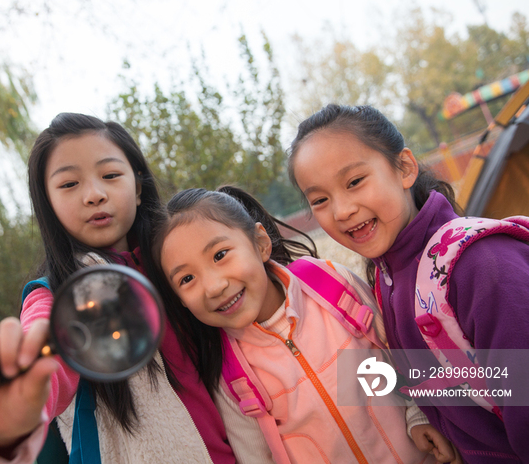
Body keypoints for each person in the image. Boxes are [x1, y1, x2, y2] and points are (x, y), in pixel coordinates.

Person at [0, 113, 273, 464]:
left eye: (110, 175)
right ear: (48, 203)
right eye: (69, 184)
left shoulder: (179, 265)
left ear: (137, 187)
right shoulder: (56, 298)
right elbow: (45, 363)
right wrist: (12, 412)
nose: (94, 194)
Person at [287, 104, 529, 463]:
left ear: (404, 167)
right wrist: (418, 416)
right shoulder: (387, 276)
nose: (341, 210)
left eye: (354, 182)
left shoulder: (480, 263)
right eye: (320, 200)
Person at [153, 186, 453, 464]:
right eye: (186, 279)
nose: (214, 286)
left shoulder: (330, 285)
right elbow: (256, 457)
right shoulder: (231, 373)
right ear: (178, 299)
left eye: (220, 255)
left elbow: (394, 351)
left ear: (260, 244)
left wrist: (417, 415)